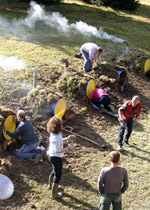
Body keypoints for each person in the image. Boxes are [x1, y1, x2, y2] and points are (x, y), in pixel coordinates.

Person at [47, 116, 74, 199]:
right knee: (58, 175)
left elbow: (59, 140)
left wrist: (66, 139)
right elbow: (58, 151)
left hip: (50, 155)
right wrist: (67, 149)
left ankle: (50, 185)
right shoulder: (57, 137)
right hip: (56, 157)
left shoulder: (54, 133)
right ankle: (54, 194)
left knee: (54, 170)